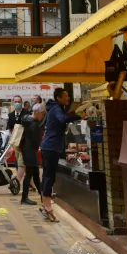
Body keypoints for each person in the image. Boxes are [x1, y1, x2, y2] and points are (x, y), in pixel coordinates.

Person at [40, 88, 85, 223]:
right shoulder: (57, 108)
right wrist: (79, 116)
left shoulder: (54, 108)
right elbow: (62, 119)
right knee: (49, 176)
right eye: (65, 96)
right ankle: (48, 207)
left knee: (48, 175)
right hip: (51, 147)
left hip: (50, 146)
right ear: (58, 98)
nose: (68, 98)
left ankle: (45, 204)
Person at [20, 103, 45, 206]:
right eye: (42, 114)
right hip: (30, 150)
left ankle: (42, 195)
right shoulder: (34, 124)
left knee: (35, 174)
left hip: (26, 148)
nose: (42, 116)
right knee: (30, 173)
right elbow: (36, 141)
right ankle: (24, 198)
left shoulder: (26, 119)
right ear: (37, 113)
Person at [7, 95, 26, 183]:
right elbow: (9, 128)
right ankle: (30, 182)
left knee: (21, 162)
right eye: (15, 102)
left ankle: (18, 181)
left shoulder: (26, 114)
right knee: (17, 161)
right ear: (12, 103)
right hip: (15, 142)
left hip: (24, 142)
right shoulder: (11, 115)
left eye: (19, 101)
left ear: (21, 103)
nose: (17, 103)